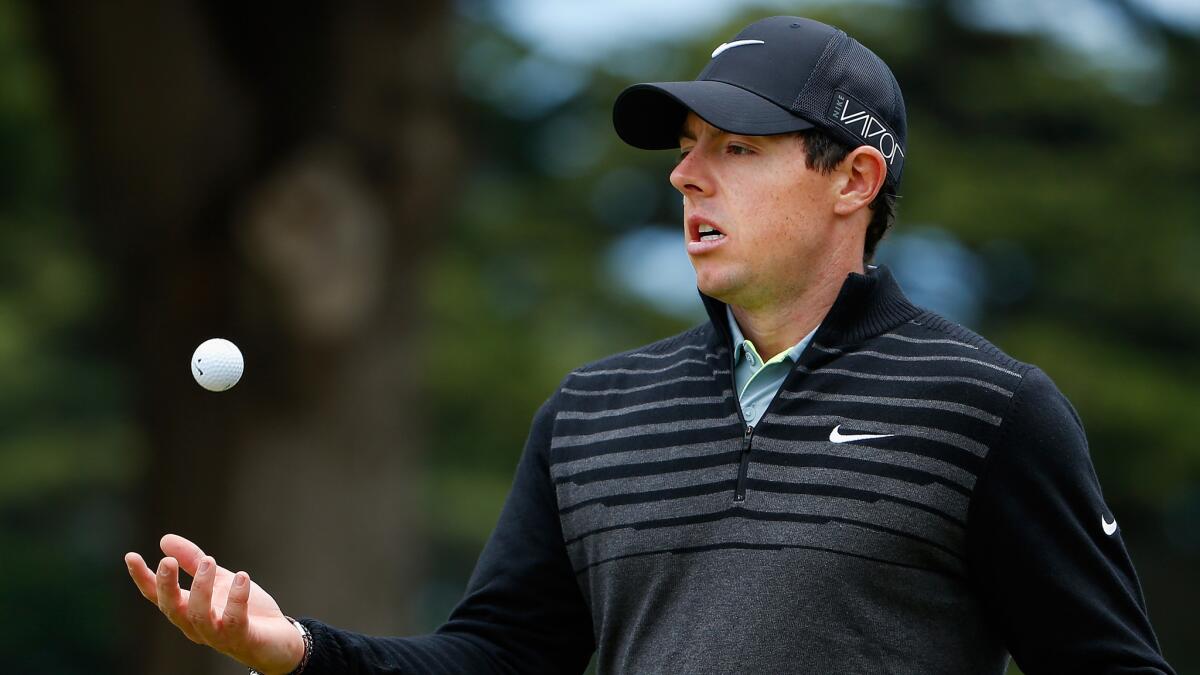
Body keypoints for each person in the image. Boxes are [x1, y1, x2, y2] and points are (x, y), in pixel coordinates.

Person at [125, 16, 1175, 674]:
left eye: (737, 149)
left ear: (853, 180)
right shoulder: (592, 414)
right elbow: (498, 658)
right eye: (685, 152)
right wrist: (297, 651)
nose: (686, 178)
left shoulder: (985, 409)